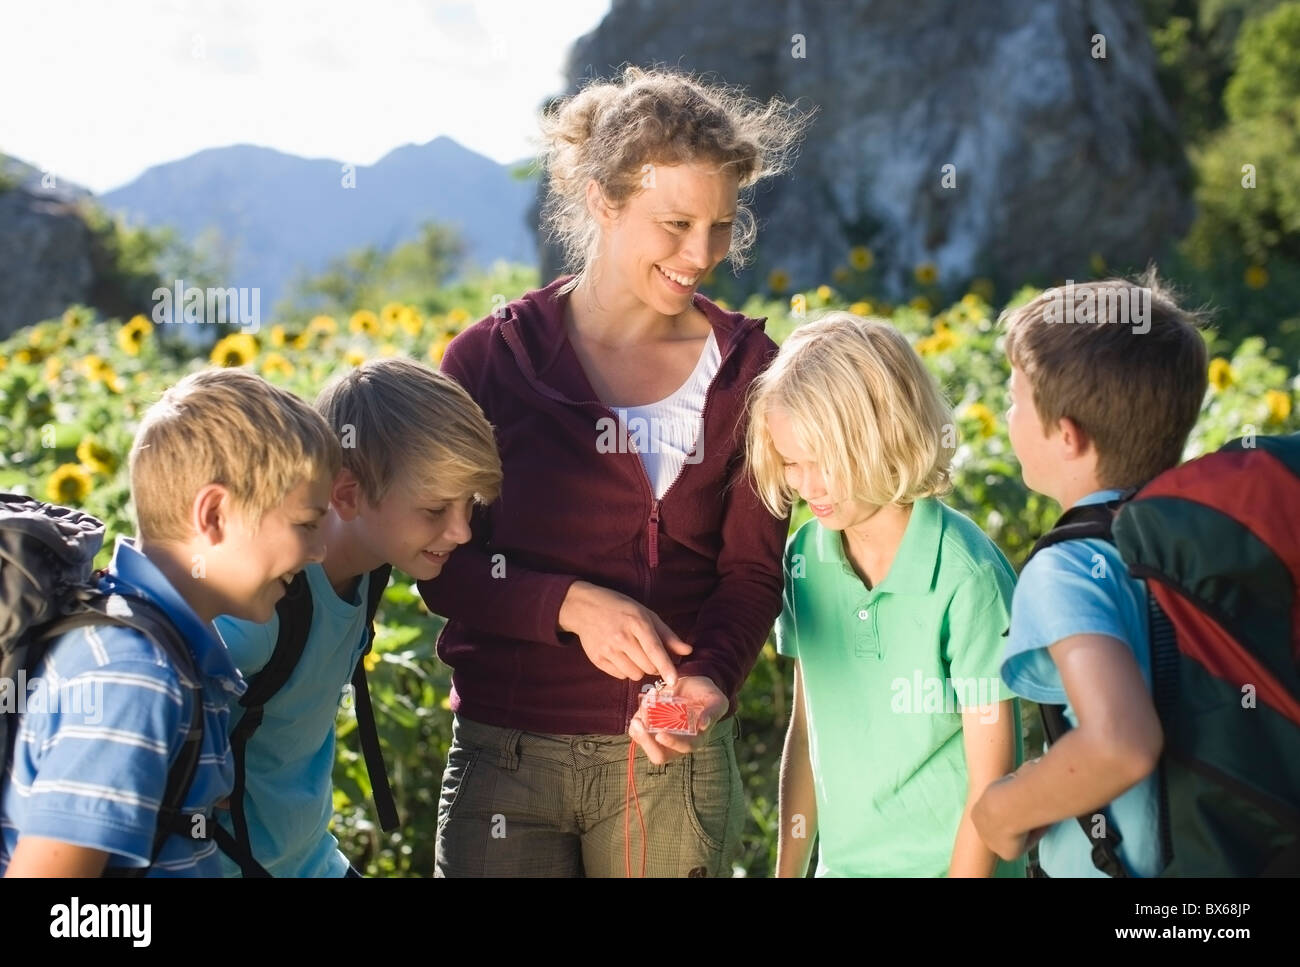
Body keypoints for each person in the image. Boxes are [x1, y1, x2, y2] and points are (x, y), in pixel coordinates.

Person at [418, 66, 808, 877]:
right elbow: (440, 562)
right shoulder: (490, 359)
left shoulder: (751, 370)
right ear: (603, 200)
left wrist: (708, 683)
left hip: (671, 765)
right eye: (675, 223)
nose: (701, 254)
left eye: (721, 225)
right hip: (506, 758)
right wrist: (567, 605)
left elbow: (749, 574)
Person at [0, 369, 338, 876]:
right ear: (215, 514)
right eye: (306, 524)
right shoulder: (134, 676)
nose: (318, 551)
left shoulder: (164, 650)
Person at [748, 312, 1024, 877]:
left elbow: (992, 780)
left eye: (824, 462)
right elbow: (807, 733)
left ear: (887, 436)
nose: (807, 486)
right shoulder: (805, 558)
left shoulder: (966, 576)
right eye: (791, 463)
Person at [213, 357, 501, 877]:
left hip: (308, 861)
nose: (461, 532)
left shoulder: (369, 570)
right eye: (435, 510)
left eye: (469, 506)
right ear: (347, 494)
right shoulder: (263, 602)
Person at [972, 275, 1207, 876]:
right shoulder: (1201, 537)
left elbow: (1119, 741)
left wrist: (1002, 810)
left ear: (1068, 436)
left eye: (1015, 396)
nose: (1006, 410)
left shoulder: (1067, 568)